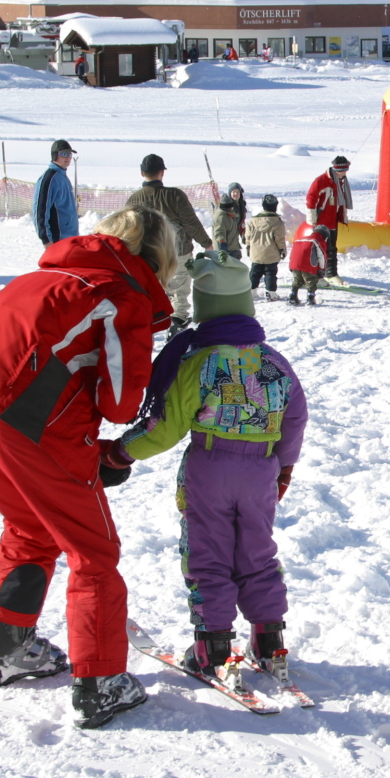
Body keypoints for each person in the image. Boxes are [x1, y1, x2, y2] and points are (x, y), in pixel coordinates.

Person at [0, 206, 177, 729]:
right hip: (26, 421)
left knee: (29, 526)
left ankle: (3, 647)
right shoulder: (119, 295)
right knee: (93, 551)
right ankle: (100, 681)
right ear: (158, 257)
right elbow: (118, 402)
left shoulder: (46, 275)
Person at [105, 252, 308, 684]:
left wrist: (122, 451)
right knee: (256, 550)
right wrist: (284, 466)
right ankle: (269, 640)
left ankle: (212, 647)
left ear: (204, 307)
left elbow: (167, 425)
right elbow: (295, 415)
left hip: (210, 467)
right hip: (261, 472)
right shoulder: (274, 361)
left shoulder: (200, 361)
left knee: (207, 552)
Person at [127, 153, 212, 332]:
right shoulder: (175, 195)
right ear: (162, 172)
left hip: (148, 255)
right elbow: (190, 222)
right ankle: (177, 323)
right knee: (179, 289)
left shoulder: (133, 200)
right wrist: (206, 243)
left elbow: (127, 230)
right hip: (178, 251)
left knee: (154, 289)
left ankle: (153, 323)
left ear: (142, 173)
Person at [305, 156, 352, 283]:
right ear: (336, 169)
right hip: (321, 221)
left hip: (333, 221)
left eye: (346, 171)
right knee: (319, 248)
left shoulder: (341, 181)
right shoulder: (321, 181)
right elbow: (311, 200)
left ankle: (330, 273)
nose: (344, 173)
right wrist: (312, 220)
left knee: (331, 248)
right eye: (342, 171)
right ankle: (317, 274)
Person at [33, 140, 79, 247]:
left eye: (69, 154)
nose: (67, 158)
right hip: (57, 240)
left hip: (71, 239)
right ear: (55, 155)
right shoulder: (49, 179)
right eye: (63, 154)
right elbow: (40, 210)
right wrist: (46, 239)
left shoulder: (63, 177)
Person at [245, 194, 286, 302]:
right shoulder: (277, 222)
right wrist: (282, 250)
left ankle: (251, 292)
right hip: (271, 253)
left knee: (255, 272)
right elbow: (280, 239)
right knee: (270, 272)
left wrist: (248, 246)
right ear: (275, 206)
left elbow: (248, 236)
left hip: (256, 252)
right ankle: (270, 293)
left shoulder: (252, 221)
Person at [288, 220, 327, 307]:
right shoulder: (318, 240)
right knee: (311, 281)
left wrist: (291, 266)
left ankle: (292, 296)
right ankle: (310, 298)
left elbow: (293, 253)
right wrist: (322, 269)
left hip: (294, 265)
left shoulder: (300, 239)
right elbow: (322, 256)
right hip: (308, 266)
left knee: (297, 280)